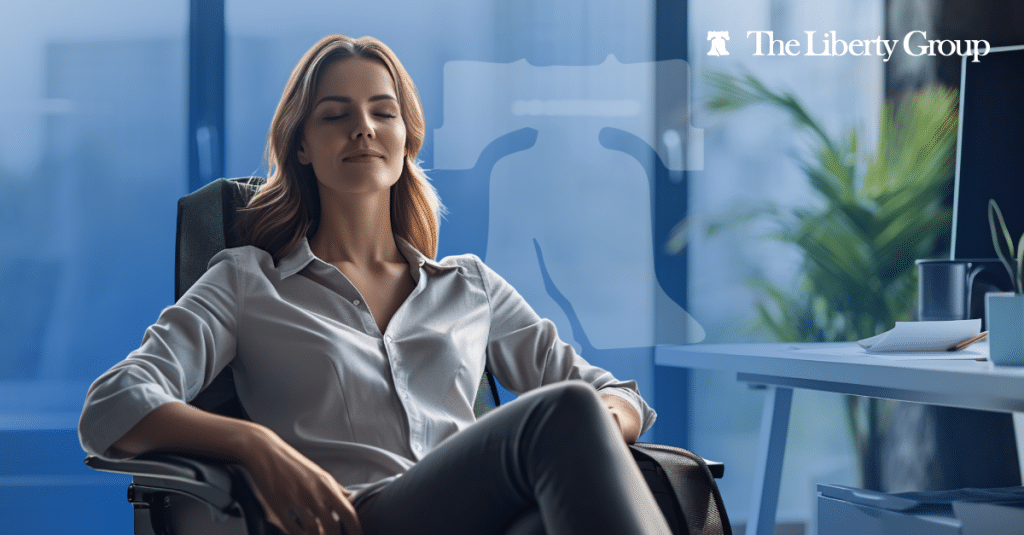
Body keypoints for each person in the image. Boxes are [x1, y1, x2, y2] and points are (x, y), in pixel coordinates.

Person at [78, 34, 672, 535]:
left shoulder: (469, 286)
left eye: (382, 112)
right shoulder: (246, 281)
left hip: (483, 516)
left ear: (406, 137)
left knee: (564, 455)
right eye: (335, 115)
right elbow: (111, 407)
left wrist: (601, 422)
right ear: (303, 145)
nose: (362, 128)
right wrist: (254, 446)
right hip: (357, 517)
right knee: (562, 412)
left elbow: (617, 394)